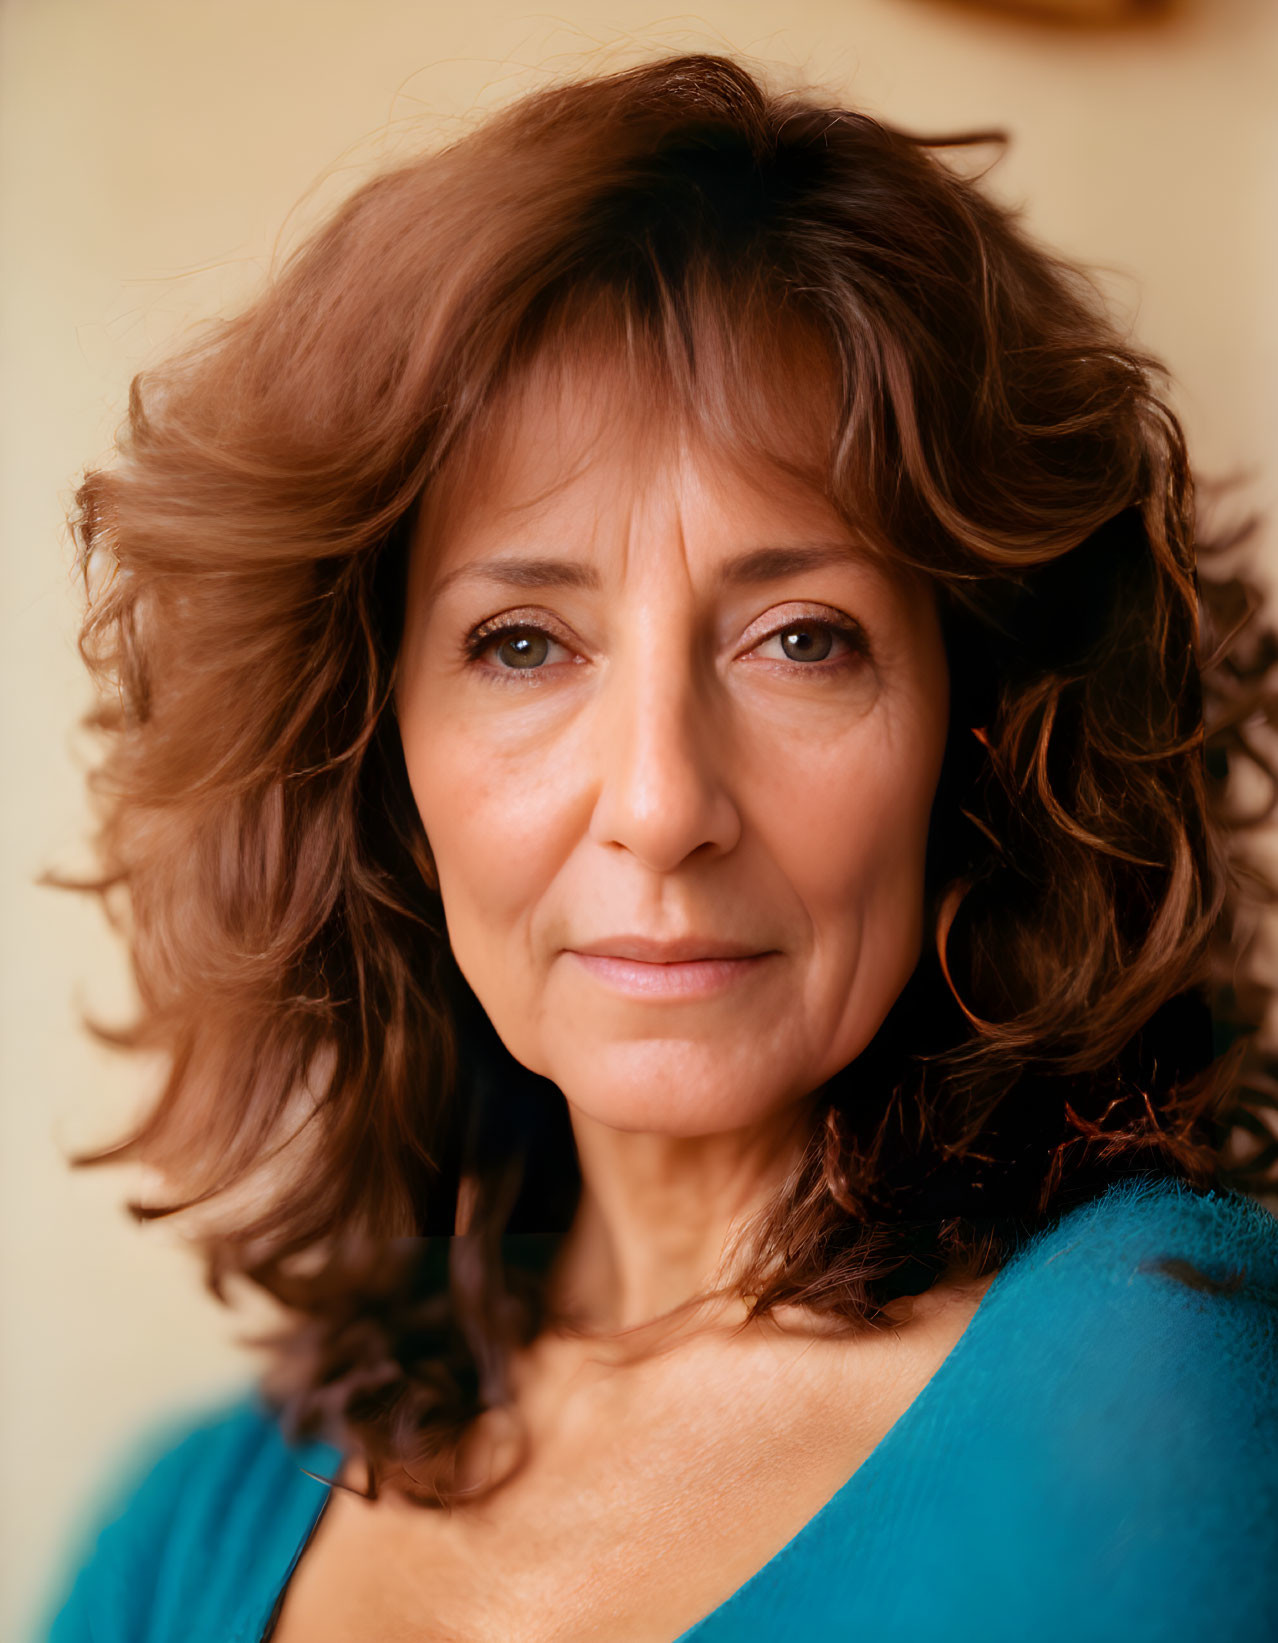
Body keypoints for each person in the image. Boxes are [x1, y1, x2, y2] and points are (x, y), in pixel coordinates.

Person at [37, 50, 1278, 1643]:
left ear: (982, 723)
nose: (659, 801)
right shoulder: (189, 1525)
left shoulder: (1156, 1384)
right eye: (523, 645)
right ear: (372, 747)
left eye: (800, 639)